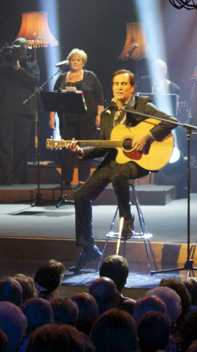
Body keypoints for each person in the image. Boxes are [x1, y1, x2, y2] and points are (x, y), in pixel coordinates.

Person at [66, 70, 177, 272]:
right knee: (80, 196)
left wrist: (147, 136)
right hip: (113, 161)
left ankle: (126, 219)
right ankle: (88, 247)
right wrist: (81, 152)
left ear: (132, 87)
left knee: (120, 174)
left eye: (123, 84)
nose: (119, 87)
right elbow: (102, 146)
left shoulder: (142, 105)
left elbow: (171, 120)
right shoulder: (107, 114)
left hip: (137, 161)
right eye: (116, 83)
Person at [49, 49, 104, 186]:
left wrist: (99, 115)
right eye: (72, 59)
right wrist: (52, 117)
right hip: (67, 118)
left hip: (88, 119)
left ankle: (82, 181)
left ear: (83, 63)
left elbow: (100, 98)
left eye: (78, 60)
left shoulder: (91, 76)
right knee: (67, 148)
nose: (74, 62)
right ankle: (66, 181)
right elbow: (54, 99)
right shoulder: (62, 78)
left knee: (84, 148)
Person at [0, 37, 40, 185]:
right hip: (6, 110)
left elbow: (34, 81)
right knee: (5, 148)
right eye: (17, 46)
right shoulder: (4, 66)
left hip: (25, 112)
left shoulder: (32, 66)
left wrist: (19, 69)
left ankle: (20, 180)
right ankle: (6, 181)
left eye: (23, 47)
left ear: (27, 50)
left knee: (22, 149)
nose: (20, 49)